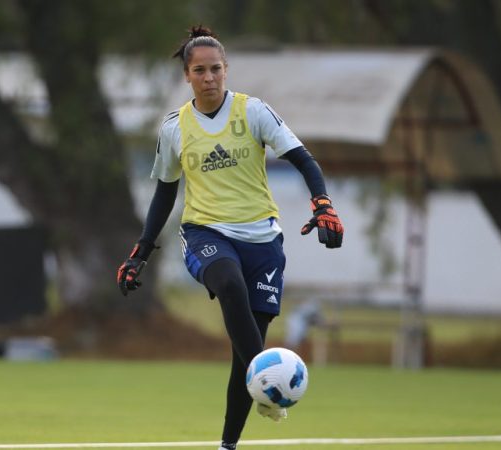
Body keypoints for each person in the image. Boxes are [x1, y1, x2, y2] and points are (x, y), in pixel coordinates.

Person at [116, 26, 343, 450]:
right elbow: (165, 192)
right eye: (199, 70)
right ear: (187, 75)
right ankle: (270, 380)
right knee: (228, 284)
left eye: (216, 69)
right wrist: (140, 253)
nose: (209, 77)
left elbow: (303, 159)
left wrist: (323, 203)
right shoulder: (174, 128)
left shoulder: (253, 112)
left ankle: (228, 445)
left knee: (244, 354)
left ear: (226, 70)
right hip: (206, 232)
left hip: (263, 243)